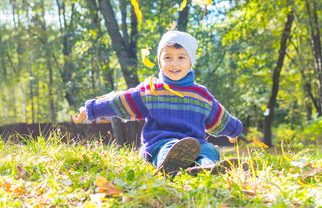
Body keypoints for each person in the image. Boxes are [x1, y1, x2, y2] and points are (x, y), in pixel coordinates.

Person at [72, 31, 242, 175]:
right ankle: (168, 165)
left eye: (181, 57)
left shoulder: (201, 95)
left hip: (195, 143)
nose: (174, 63)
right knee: (168, 147)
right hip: (159, 143)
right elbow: (121, 101)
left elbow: (220, 118)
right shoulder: (152, 90)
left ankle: (206, 166)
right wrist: (90, 109)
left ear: (191, 63)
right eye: (168, 57)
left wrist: (233, 131)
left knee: (209, 149)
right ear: (160, 62)